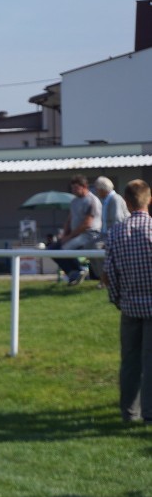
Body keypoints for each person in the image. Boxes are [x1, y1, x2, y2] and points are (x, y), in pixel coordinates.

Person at [103, 179, 152, 424]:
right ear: (148, 199)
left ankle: (129, 412)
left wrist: (118, 301)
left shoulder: (116, 233)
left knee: (130, 362)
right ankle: (150, 413)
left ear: (127, 202)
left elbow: (109, 274)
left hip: (130, 306)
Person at [48, 174, 102, 286]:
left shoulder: (92, 201)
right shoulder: (74, 201)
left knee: (65, 248)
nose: (73, 190)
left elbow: (87, 224)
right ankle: (73, 273)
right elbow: (69, 219)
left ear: (84, 186)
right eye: (72, 188)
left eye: (76, 188)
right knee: (53, 248)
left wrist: (69, 237)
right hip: (76, 235)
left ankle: (80, 269)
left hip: (89, 235)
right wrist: (64, 234)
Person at [91, 176, 130, 285]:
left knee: (95, 247)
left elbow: (116, 222)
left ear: (102, 189)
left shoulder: (115, 199)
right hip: (105, 235)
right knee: (88, 246)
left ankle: (105, 278)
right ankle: (101, 276)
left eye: (97, 189)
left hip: (115, 235)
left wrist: (109, 240)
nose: (96, 191)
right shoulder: (107, 200)